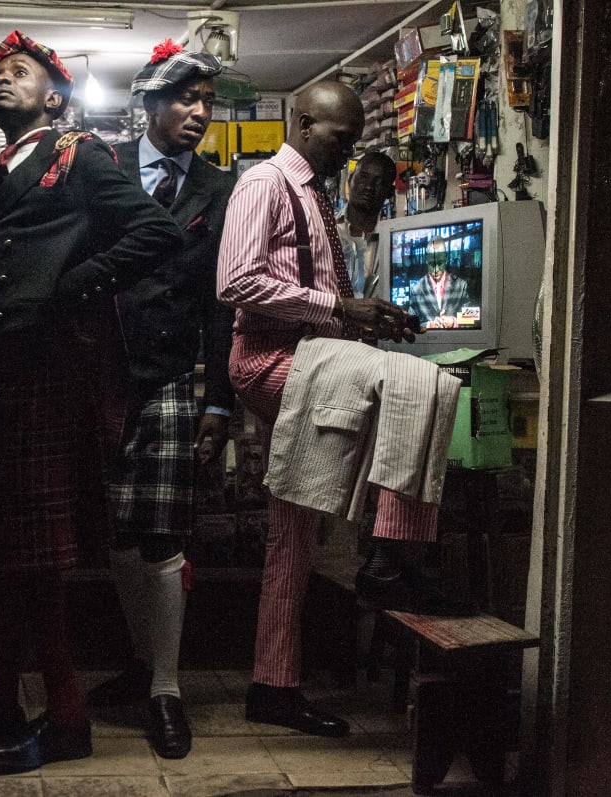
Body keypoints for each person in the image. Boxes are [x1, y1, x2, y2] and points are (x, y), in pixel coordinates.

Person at [0, 30, 182, 775]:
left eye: (18, 71)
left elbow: (156, 232)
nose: (1, 82)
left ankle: (68, 714)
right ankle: (4, 704)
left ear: (54, 93)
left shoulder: (80, 157)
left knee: (35, 561)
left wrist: (75, 284)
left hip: (45, 374)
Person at [218, 80, 448, 737]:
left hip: (314, 358)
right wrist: (342, 309)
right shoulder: (266, 183)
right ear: (302, 122)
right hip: (271, 362)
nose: (347, 155)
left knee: (292, 535)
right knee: (418, 387)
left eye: (352, 142)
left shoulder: (314, 193)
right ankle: (393, 566)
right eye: (339, 140)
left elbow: (317, 293)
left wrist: (364, 324)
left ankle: (273, 684)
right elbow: (234, 280)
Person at [83, 40, 237, 760]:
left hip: (176, 371)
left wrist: (220, 402)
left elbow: (222, 304)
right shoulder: (104, 172)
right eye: (185, 98)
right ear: (148, 104)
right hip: (108, 370)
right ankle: (142, 664)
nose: (200, 112)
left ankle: (168, 690)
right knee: (117, 529)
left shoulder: (221, 187)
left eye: (207, 100)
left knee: (164, 531)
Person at [337, 151, 397, 297]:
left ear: (390, 192)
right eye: (363, 178)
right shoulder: (326, 228)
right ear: (350, 179)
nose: (369, 187)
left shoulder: (393, 240)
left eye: (379, 182)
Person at [406, 236, 473, 328]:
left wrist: (454, 322)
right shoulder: (416, 289)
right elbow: (410, 324)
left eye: (440, 263)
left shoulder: (461, 286)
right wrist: (429, 325)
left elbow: (472, 319)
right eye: (432, 264)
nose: (436, 270)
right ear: (426, 260)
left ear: (446, 258)